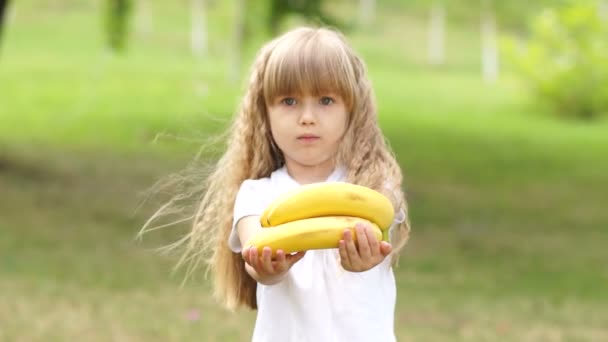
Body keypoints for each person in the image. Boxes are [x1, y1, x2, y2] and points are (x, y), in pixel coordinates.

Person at [145, 26, 410, 342]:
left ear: (352, 110)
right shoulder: (257, 196)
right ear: (264, 114)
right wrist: (269, 266)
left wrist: (366, 259)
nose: (307, 117)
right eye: (289, 101)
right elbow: (258, 256)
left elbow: (382, 231)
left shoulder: (372, 185)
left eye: (326, 100)